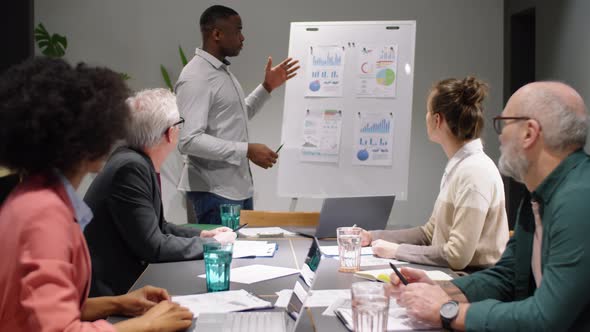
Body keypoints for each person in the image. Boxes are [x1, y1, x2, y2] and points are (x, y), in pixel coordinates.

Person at [0, 57, 192, 331]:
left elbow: (42, 306)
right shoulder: (44, 215)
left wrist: (116, 303)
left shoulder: (29, 197)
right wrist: (148, 325)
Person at [389, 81, 590, 331]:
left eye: (504, 124)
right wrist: (441, 290)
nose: (500, 135)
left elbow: (545, 317)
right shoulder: (539, 197)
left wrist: (447, 311)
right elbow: (508, 276)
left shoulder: (578, 201)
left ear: (529, 133)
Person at [84, 88, 236, 297]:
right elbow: (153, 247)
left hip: (126, 282)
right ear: (170, 132)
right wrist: (211, 245)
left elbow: (158, 227)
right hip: (114, 293)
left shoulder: (134, 161)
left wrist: (203, 234)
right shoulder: (130, 168)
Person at [360, 77, 509, 271]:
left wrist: (397, 251)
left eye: (428, 111)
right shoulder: (461, 167)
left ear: (437, 119)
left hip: (472, 283)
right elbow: (429, 233)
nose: (426, 117)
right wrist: (373, 236)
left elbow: (457, 256)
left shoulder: (474, 173)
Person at [176, 5, 300, 224]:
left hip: (236, 190)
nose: (242, 38)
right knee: (224, 257)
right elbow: (189, 140)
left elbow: (235, 117)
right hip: (214, 193)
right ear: (216, 34)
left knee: (241, 258)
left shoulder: (221, 73)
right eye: (238, 30)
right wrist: (247, 150)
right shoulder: (196, 76)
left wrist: (267, 87)